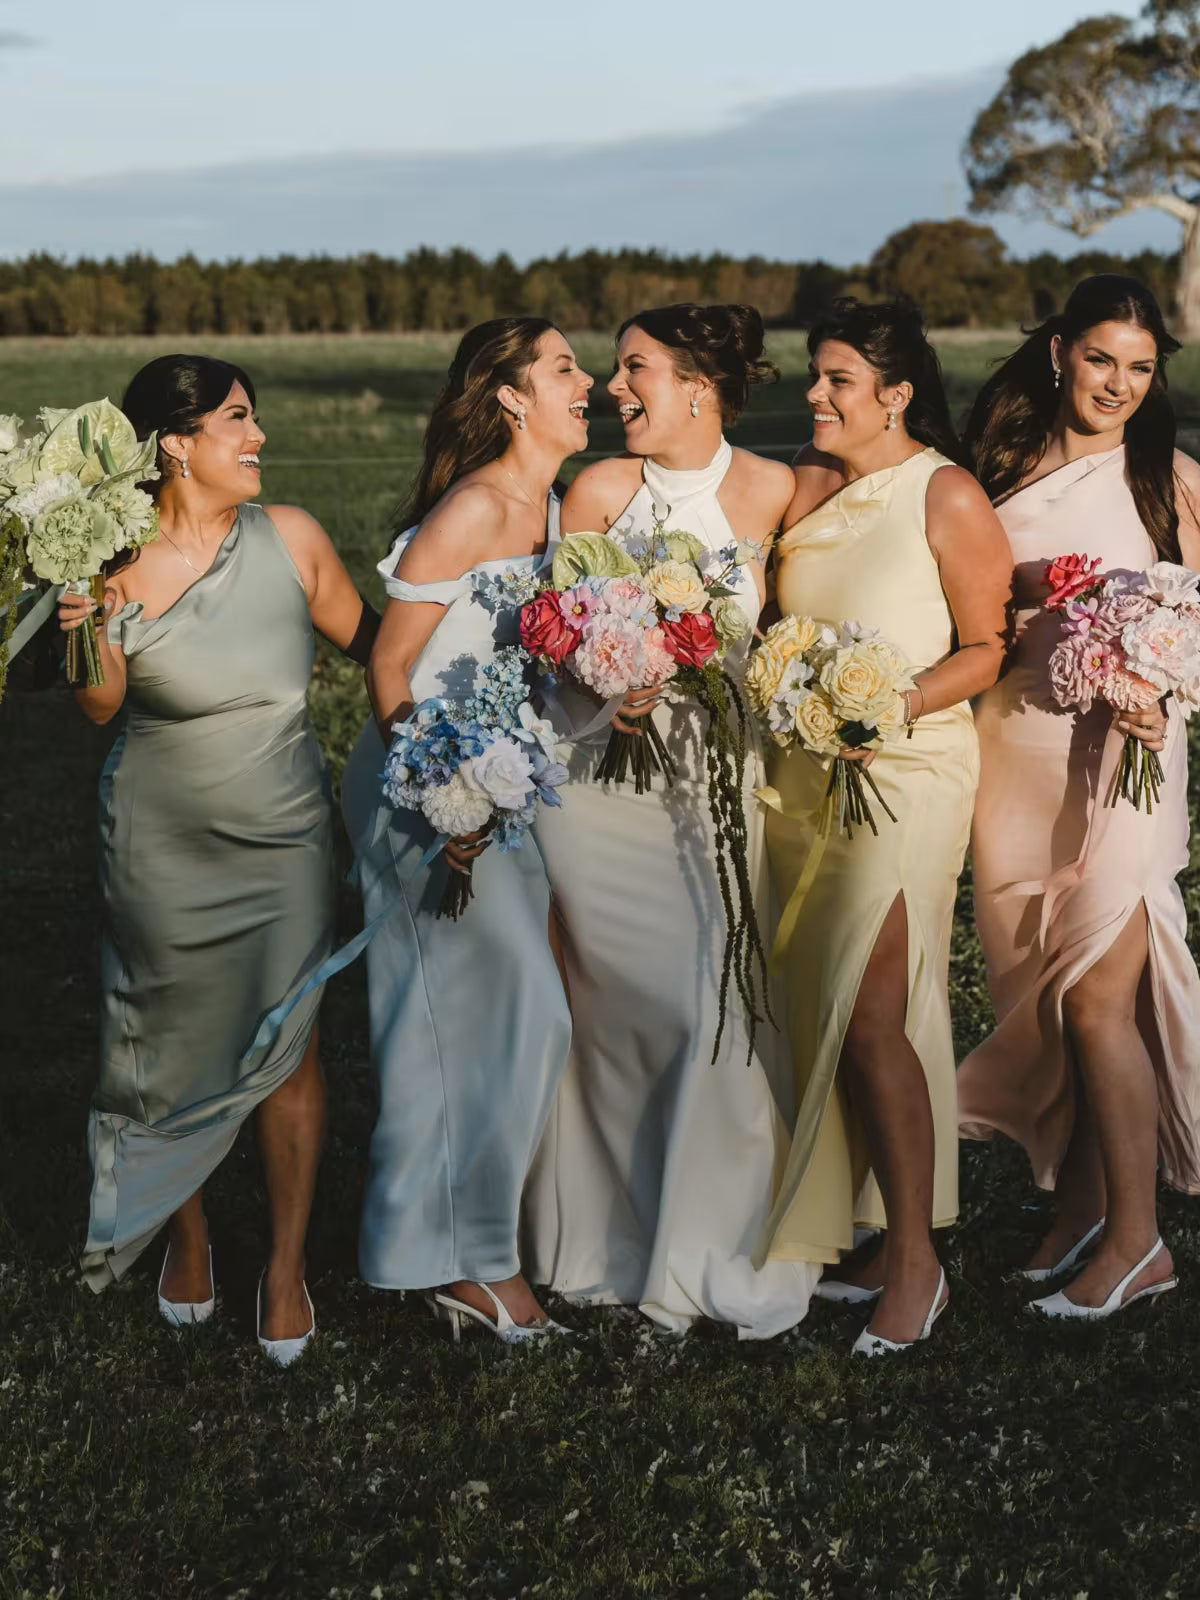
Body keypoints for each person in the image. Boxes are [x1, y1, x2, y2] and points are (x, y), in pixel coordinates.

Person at [58, 353, 377, 1364]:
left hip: (282, 831)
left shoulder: (293, 540)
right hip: (161, 838)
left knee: (291, 1045)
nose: (259, 438)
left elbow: (381, 646)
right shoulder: (111, 567)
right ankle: (184, 1238)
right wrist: (82, 631)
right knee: (171, 1041)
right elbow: (100, 706)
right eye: (240, 420)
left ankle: (283, 1266)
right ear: (177, 447)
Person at [523, 302, 821, 1339]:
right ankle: (603, 1236)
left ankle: (710, 1242)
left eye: (633, 369)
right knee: (610, 1016)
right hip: (603, 777)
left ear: (699, 386)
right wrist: (608, 671)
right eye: (614, 370)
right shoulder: (601, 489)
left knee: (713, 1010)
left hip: (713, 786)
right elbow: (551, 627)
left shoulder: (779, 489)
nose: (615, 388)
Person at [758, 299, 1011, 1356]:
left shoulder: (944, 492)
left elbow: (988, 645)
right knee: (831, 1003)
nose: (815, 396)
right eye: (816, 377)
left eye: (837, 381)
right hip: (802, 775)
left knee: (872, 1006)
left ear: (896, 395)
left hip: (907, 768)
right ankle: (867, 1233)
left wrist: (885, 704)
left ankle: (917, 1259)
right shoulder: (808, 484)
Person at [340, 318, 590, 1342]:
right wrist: (443, 786)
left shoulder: (563, 506)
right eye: (565, 367)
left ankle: (467, 1252)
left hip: (504, 787)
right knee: (470, 1021)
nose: (589, 382)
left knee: (519, 1019)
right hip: (424, 793)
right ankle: (467, 1264)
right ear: (512, 398)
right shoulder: (478, 504)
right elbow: (389, 667)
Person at [958, 274, 1200, 1320]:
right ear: (1059, 353)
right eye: (1103, 359)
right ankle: (1087, 1203)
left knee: (1103, 994)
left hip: (1127, 758)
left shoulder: (1171, 481)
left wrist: (1164, 688)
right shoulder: (994, 472)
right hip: (1013, 752)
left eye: (1141, 369)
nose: (1120, 385)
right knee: (1038, 985)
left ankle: (1139, 1245)